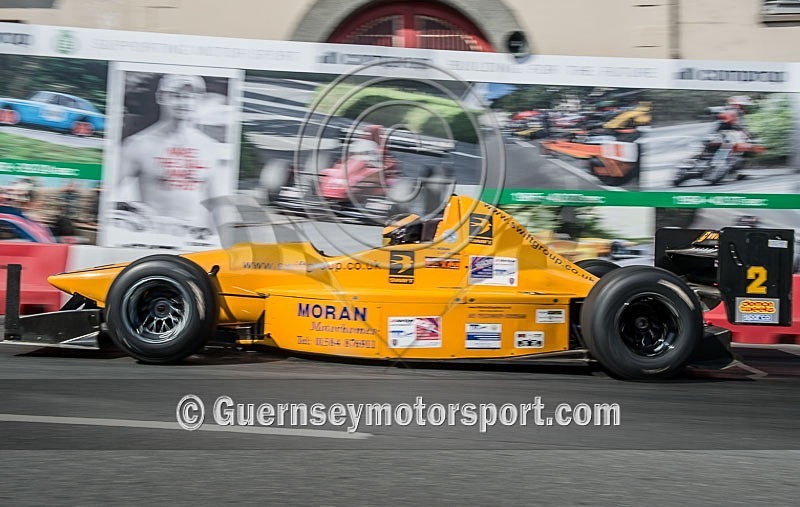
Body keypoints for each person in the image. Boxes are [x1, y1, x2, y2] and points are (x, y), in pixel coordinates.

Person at [111, 73, 233, 241]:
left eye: (191, 96)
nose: (185, 102)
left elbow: (220, 207)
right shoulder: (138, 145)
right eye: (176, 95)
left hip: (195, 241)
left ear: (199, 100)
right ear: (160, 97)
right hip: (153, 239)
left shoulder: (210, 148)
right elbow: (105, 194)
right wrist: (130, 210)